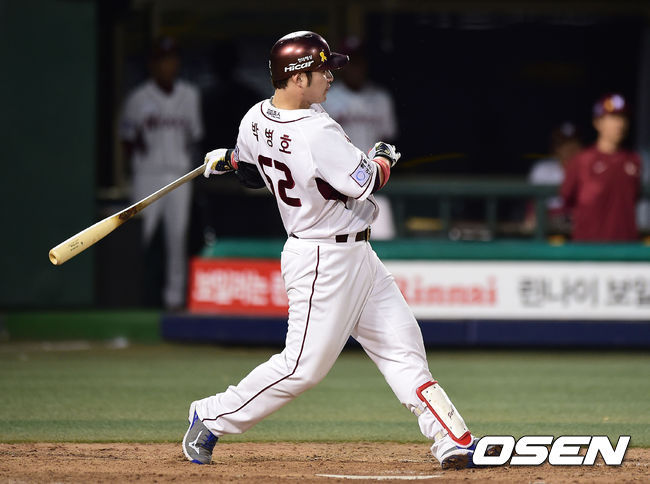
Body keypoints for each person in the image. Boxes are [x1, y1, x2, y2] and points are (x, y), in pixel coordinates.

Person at [182, 31, 487, 470]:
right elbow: (369, 180)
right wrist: (383, 154)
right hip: (322, 258)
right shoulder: (317, 129)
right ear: (297, 78)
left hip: (357, 254)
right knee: (302, 367)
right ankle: (210, 416)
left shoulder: (255, 117)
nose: (330, 76)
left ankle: (451, 439)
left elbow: (249, 172)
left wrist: (229, 159)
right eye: (322, 70)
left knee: (402, 348)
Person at [119, 36, 203, 309]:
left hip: (179, 174)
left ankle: (174, 299)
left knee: (177, 238)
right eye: (163, 59)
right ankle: (129, 295)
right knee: (139, 236)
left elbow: (194, 137)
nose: (168, 65)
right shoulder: (138, 98)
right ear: (153, 64)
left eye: (172, 59)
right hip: (148, 174)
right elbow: (127, 140)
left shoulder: (190, 95)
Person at [324, 36, 398, 239]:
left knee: (383, 247)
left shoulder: (381, 98)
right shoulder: (326, 98)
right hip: (339, 188)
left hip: (375, 185)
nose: (355, 68)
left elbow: (388, 138)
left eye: (359, 62)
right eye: (350, 63)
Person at [561, 93, 642, 241]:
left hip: (626, 245)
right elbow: (567, 199)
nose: (619, 124)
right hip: (590, 246)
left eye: (623, 118)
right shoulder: (583, 160)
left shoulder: (634, 160)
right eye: (613, 118)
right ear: (598, 122)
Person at [524, 122, 582, 232]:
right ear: (555, 148)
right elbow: (532, 209)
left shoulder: (588, 169)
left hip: (578, 225)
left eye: (574, 143)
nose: (569, 149)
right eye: (563, 144)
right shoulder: (542, 169)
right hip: (548, 226)